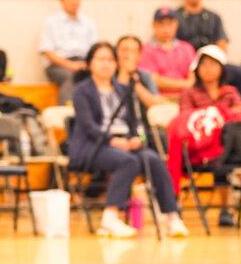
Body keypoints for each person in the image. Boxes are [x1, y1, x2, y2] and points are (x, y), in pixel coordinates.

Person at [68, 42, 188, 239]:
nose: (106, 64)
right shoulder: (82, 91)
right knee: (128, 161)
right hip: (95, 146)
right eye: (100, 59)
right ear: (90, 64)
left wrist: (137, 140)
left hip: (126, 144)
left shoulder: (123, 90)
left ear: (116, 64)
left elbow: (137, 124)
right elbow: (88, 126)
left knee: (153, 159)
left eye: (110, 59)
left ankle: (171, 216)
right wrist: (113, 140)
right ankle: (110, 217)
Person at [166, 45, 241, 227]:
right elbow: (186, 118)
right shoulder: (190, 93)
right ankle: (175, 201)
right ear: (197, 69)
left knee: (226, 155)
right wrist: (213, 114)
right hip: (198, 148)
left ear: (222, 68)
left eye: (213, 64)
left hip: (224, 146)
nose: (208, 68)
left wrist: (217, 114)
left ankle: (226, 209)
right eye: (203, 64)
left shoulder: (230, 92)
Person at [175, 0, 241, 97]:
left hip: (212, 61)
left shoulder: (213, 17)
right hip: (187, 64)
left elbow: (222, 43)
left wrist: (213, 64)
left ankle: (236, 108)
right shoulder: (175, 17)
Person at [39, 0, 98, 104]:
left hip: (84, 63)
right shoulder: (51, 22)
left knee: (101, 76)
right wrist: (70, 65)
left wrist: (87, 64)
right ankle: (64, 115)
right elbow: (47, 52)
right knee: (70, 77)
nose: (75, 1)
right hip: (58, 65)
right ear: (61, 0)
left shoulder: (88, 23)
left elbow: (95, 50)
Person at [137, 7, 195, 98]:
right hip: (160, 100)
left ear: (176, 25)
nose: (166, 29)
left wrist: (188, 84)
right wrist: (186, 84)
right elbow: (154, 81)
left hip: (188, 99)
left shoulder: (187, 48)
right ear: (154, 25)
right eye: (162, 24)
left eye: (170, 24)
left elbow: (194, 78)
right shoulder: (145, 49)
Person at [114, 35, 165, 114]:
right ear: (116, 52)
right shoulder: (108, 73)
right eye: (124, 50)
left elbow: (158, 103)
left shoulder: (145, 75)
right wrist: (123, 73)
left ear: (139, 56)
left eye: (133, 51)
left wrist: (134, 82)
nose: (128, 55)